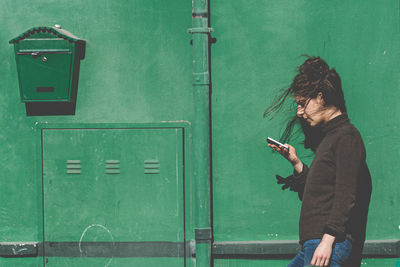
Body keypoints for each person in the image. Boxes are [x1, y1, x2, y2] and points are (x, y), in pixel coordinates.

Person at [264, 56, 372, 267]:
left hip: (328, 245)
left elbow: (346, 193)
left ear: (321, 97)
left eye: (302, 104)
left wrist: (328, 240)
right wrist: (295, 163)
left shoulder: (346, 137)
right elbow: (317, 196)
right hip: (314, 245)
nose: (299, 112)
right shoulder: (331, 138)